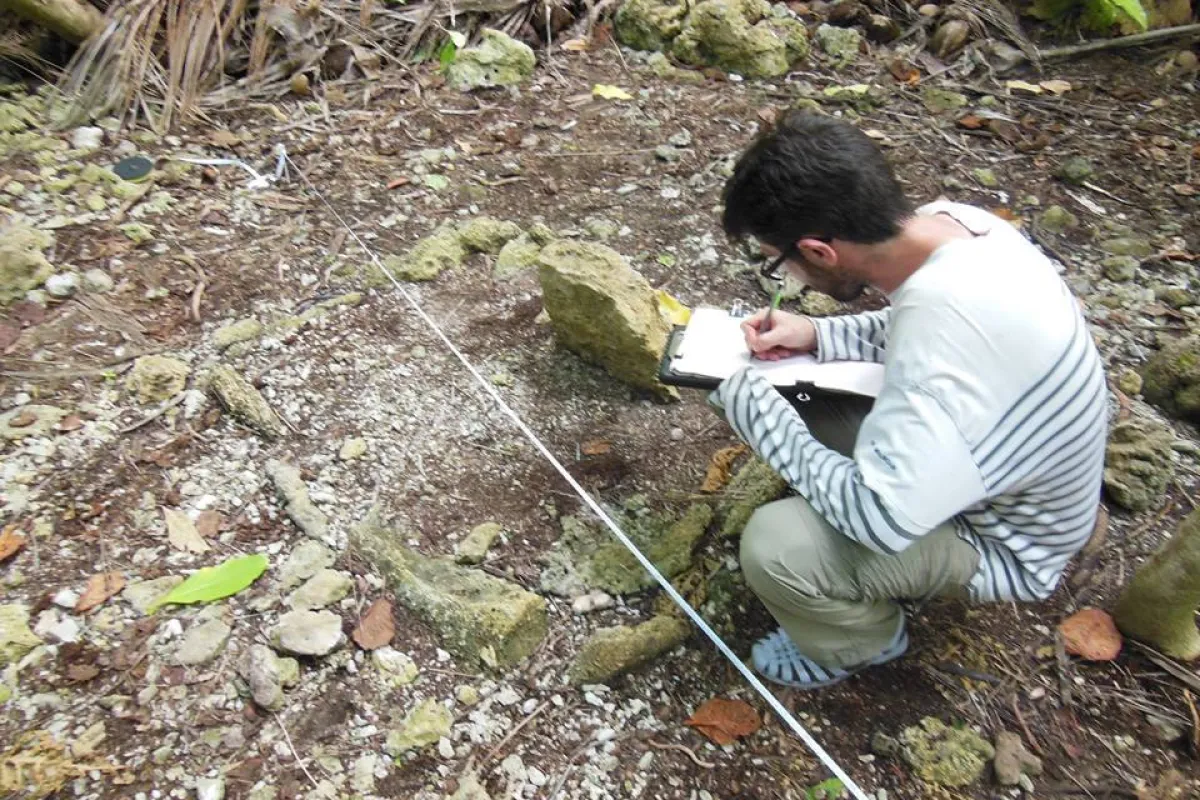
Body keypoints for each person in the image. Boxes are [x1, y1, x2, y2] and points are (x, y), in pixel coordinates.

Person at [707, 110, 1109, 690]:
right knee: (796, 391)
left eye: (780, 260)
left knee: (776, 547)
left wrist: (760, 419)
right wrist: (819, 335)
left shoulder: (939, 342)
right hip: (1013, 476)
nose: (786, 274)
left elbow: (882, 521)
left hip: (1008, 541)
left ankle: (861, 642)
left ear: (820, 252)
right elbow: (909, 326)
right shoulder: (958, 226)